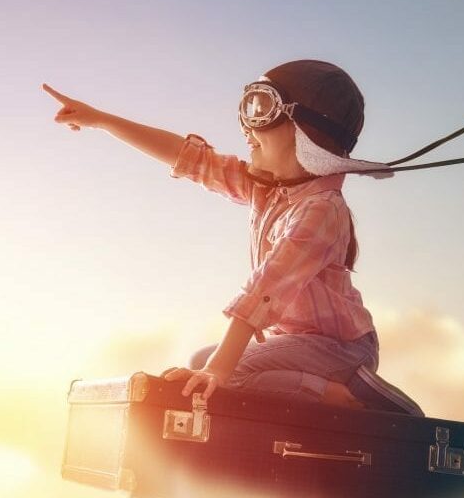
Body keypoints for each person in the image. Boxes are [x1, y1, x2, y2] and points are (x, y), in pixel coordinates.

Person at [43, 60, 422, 415]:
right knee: (201, 364)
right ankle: (321, 391)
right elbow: (192, 160)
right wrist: (102, 120)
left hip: (339, 349)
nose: (245, 125)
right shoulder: (267, 189)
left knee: (227, 374)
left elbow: (266, 286)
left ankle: (349, 394)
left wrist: (219, 369)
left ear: (304, 131)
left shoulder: (322, 209)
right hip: (297, 342)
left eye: (260, 108)